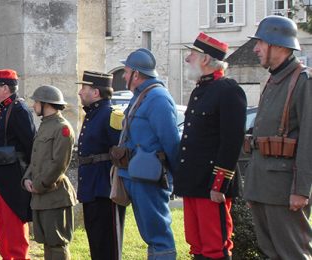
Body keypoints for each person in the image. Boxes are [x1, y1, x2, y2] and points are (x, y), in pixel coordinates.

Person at [244, 15, 312, 259]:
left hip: (285, 189)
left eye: (261, 42)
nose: (256, 49)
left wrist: (301, 190)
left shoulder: (303, 82)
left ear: (280, 46)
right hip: (263, 186)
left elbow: (309, 141)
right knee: (271, 253)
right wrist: (252, 187)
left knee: (292, 254)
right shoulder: (273, 80)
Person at [174, 33, 247, 260]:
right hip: (193, 182)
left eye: (192, 55)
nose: (187, 59)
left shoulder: (228, 90)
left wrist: (219, 184)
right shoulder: (200, 90)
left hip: (211, 184)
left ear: (205, 59)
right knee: (196, 244)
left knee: (215, 246)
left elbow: (231, 142)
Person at [116, 48, 179, 260]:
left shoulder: (157, 98)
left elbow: (171, 141)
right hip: (137, 175)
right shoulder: (142, 96)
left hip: (150, 177)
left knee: (158, 235)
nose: (124, 76)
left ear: (137, 74)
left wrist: (178, 176)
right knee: (150, 235)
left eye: (126, 71)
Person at [0, 69, 35, 260]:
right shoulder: (6, 108)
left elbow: (30, 144)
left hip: (14, 176)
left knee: (14, 221)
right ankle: (8, 256)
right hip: (1, 174)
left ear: (5, 88)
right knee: (4, 222)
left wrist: (29, 175)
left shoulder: (19, 109)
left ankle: (19, 256)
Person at [76, 71, 125, 260]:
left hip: (106, 188)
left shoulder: (112, 115)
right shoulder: (93, 114)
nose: (80, 93)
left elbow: (121, 151)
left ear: (96, 92)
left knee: (108, 244)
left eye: (84, 88)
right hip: (91, 186)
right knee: (96, 241)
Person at [22, 85, 76, 260]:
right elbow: (36, 158)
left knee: (57, 243)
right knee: (46, 241)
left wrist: (39, 184)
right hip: (41, 194)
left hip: (54, 194)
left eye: (36, 102)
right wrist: (26, 179)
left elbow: (59, 163)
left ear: (46, 104)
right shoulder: (45, 126)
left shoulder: (62, 128)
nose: (34, 106)